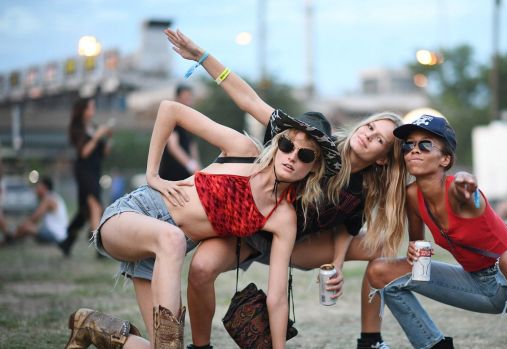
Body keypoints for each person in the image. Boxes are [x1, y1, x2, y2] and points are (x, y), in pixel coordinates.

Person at [165, 28, 408, 349]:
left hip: (294, 242)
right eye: (371, 126)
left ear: (382, 159)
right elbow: (250, 100)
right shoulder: (313, 142)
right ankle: (201, 346)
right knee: (200, 269)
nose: (369, 134)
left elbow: (348, 227)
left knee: (383, 251)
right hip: (250, 227)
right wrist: (202, 57)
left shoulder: (364, 187)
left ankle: (370, 340)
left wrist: (335, 264)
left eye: (380, 140)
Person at [65, 99, 339, 349]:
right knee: (172, 239)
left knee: (163, 348)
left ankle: (92, 326)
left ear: (315, 167)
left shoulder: (283, 217)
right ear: (278, 143)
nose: (292, 156)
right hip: (133, 216)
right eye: (288, 145)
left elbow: (278, 297)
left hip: (161, 257)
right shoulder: (243, 151)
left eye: (305, 155)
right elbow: (170, 110)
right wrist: (153, 174)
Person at [366, 115, 507, 349]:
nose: (414, 150)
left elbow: (468, 189)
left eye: (425, 144)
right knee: (379, 271)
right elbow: (419, 253)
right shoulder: (412, 196)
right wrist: (412, 252)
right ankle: (433, 345)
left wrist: (467, 184)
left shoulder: (460, 192)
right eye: (409, 145)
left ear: (445, 159)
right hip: (472, 283)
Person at [59, 97, 113, 256]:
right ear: (83, 110)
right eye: (91, 107)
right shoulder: (77, 128)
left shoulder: (94, 127)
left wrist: (108, 137)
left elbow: (104, 152)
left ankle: (67, 242)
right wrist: (97, 136)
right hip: (84, 171)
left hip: (95, 171)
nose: (93, 109)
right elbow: (83, 152)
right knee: (95, 205)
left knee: (84, 211)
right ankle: (99, 247)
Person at [159, 84, 202, 181]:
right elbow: (173, 147)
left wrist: (198, 167)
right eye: (185, 99)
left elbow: (192, 146)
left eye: (189, 99)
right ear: (177, 99)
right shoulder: (172, 120)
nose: (188, 102)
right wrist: (190, 165)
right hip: (171, 176)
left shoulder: (190, 121)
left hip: (186, 176)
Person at [14, 176, 68, 244]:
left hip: (56, 235)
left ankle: (11, 239)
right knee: (27, 227)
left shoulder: (49, 199)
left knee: (26, 227)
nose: (35, 189)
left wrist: (22, 226)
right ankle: (13, 239)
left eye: (38, 187)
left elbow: (35, 218)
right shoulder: (53, 196)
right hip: (58, 234)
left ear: (44, 187)